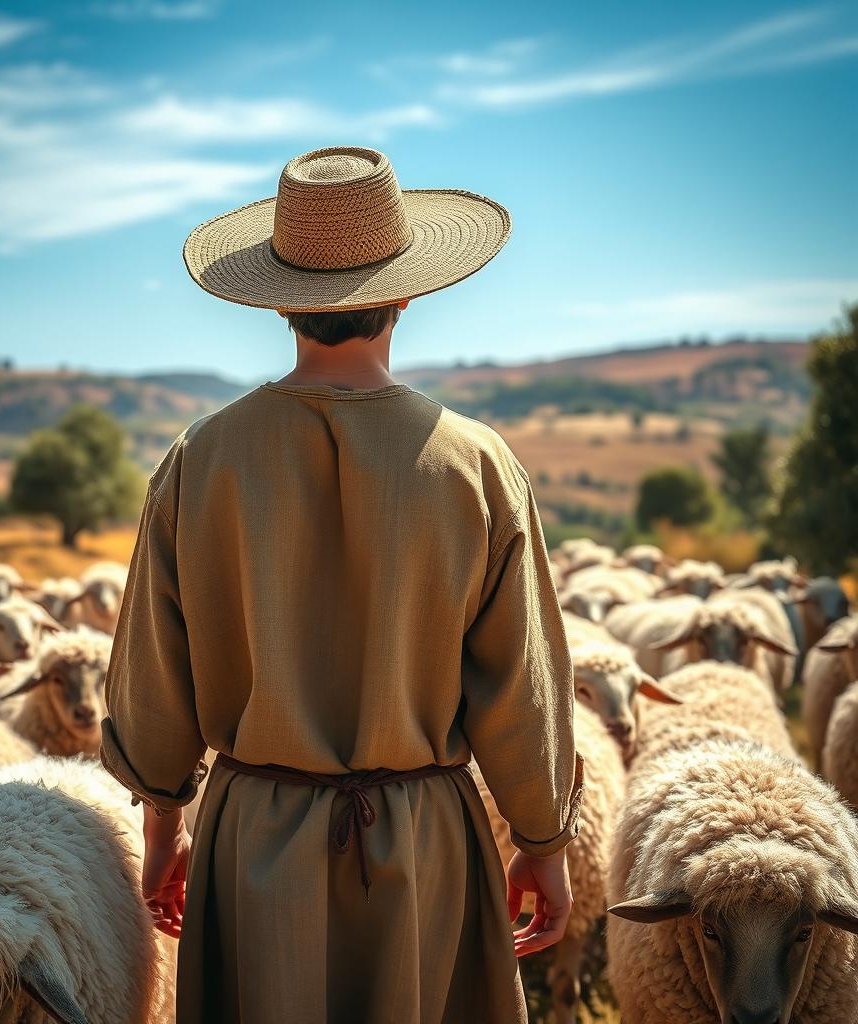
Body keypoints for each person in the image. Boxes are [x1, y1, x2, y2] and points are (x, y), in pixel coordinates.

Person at [101, 145, 583, 1024]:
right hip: (425, 850)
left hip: (251, 851)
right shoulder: (476, 464)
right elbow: (525, 688)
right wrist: (543, 843)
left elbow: (153, 680)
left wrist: (165, 828)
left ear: (281, 299)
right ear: (407, 292)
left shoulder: (200, 459)